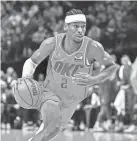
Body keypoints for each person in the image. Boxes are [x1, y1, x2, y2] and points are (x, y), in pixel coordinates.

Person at [14, 9, 117, 141]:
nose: (80, 30)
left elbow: (112, 66)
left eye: (83, 27)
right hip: (50, 94)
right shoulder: (51, 43)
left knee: (48, 132)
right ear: (65, 27)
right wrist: (26, 78)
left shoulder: (92, 47)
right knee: (52, 127)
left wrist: (95, 79)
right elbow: (31, 62)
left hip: (71, 101)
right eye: (76, 26)